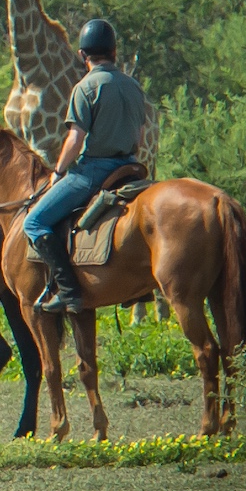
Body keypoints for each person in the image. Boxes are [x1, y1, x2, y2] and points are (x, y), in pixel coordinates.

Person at [23, 18, 147, 314]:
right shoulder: (132, 86)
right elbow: (139, 138)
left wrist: (58, 172)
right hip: (131, 167)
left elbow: (75, 139)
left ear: (82, 56)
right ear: (114, 52)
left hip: (95, 170)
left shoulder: (85, 87)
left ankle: (68, 291)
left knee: (34, 222)